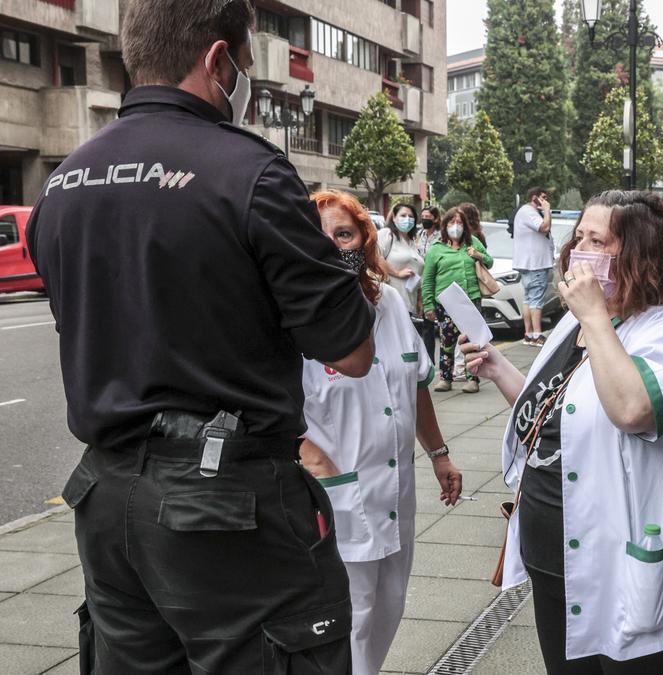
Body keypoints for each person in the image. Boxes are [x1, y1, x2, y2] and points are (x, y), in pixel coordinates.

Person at [25, 1, 377, 669]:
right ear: (218, 61)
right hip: (228, 508)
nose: (244, 79)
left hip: (109, 497)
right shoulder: (249, 172)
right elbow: (351, 349)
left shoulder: (64, 181)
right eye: (244, 65)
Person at [462, 190, 663, 673]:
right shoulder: (570, 327)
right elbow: (554, 414)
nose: (580, 251)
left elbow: (633, 409)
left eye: (598, 240)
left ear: (638, 254)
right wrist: (499, 371)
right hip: (553, 554)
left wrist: (597, 317)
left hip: (625, 564)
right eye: (579, 237)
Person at [303, 190, 464, 675]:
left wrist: (438, 453)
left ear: (365, 239)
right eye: (320, 237)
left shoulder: (390, 304)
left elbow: (416, 385)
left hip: (396, 495)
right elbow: (274, 413)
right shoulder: (292, 319)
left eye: (344, 234)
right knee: (345, 623)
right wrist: (317, 465)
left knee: (387, 609)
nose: (334, 246)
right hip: (333, 501)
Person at [422, 206, 492, 393]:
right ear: (445, 225)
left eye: (459, 223)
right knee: (447, 341)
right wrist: (428, 304)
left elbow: (489, 261)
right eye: (452, 222)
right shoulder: (436, 249)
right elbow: (427, 280)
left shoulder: (473, 242)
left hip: (471, 300)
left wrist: (478, 255)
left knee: (472, 341)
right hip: (446, 303)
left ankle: (473, 379)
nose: (456, 226)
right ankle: (445, 378)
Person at [382, 202, 437, 361]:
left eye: (411, 216)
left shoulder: (413, 242)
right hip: (389, 302)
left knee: (405, 350)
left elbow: (418, 273)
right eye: (403, 216)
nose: (407, 219)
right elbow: (374, 258)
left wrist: (420, 299)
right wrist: (397, 272)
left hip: (409, 305)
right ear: (394, 217)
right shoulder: (387, 235)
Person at [513, 187, 555, 347]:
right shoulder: (528, 211)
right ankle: (536, 335)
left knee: (529, 299)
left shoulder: (526, 212)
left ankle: (529, 334)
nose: (546, 201)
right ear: (534, 197)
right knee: (536, 300)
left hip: (530, 263)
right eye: (543, 197)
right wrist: (546, 211)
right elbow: (544, 227)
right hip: (535, 264)